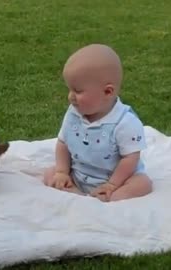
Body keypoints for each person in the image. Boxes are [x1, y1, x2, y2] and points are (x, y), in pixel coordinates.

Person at [43, 44, 152, 202]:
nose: (70, 97)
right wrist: (62, 172)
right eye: (70, 90)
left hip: (116, 180)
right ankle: (77, 195)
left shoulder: (125, 122)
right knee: (49, 173)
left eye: (78, 91)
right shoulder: (74, 112)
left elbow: (130, 159)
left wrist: (112, 185)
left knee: (142, 183)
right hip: (78, 174)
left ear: (108, 92)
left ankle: (106, 199)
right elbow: (63, 143)